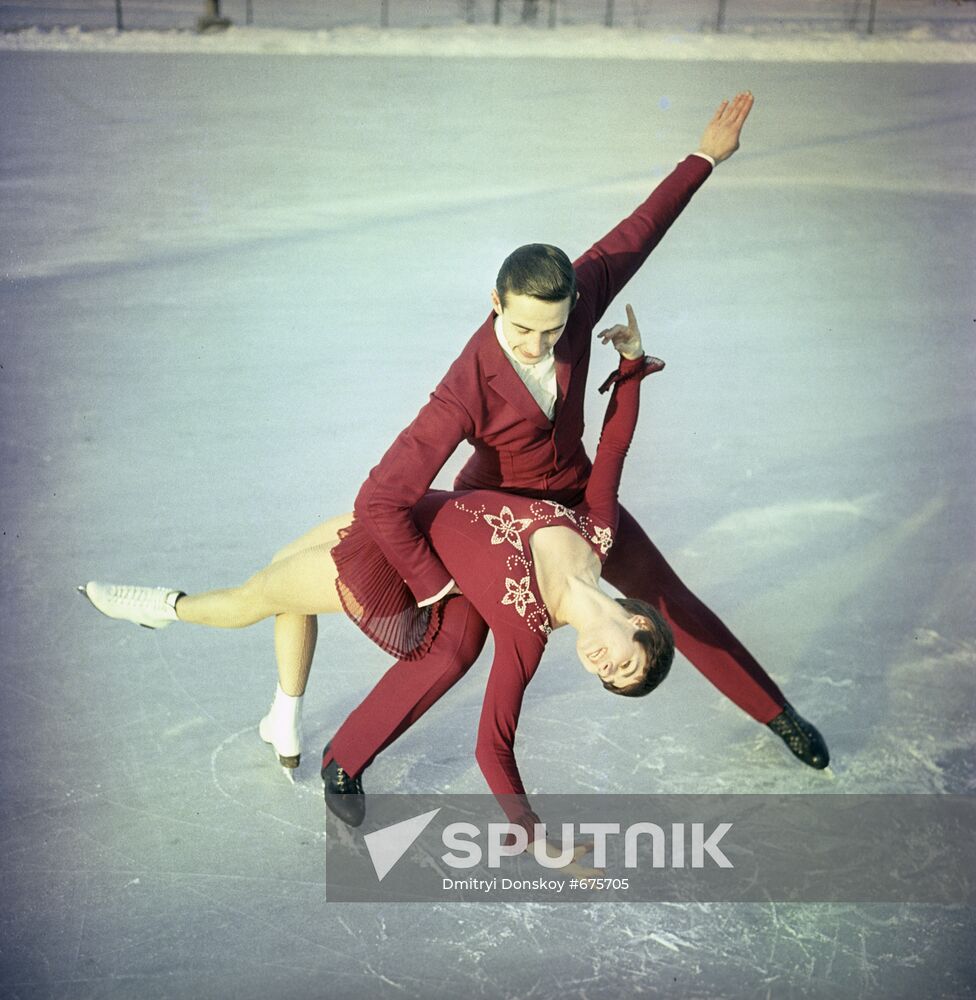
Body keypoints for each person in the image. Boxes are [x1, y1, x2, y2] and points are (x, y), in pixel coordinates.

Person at [315, 90, 828, 811]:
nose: (537, 344)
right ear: (496, 304)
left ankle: (777, 714)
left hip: (579, 502)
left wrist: (706, 155)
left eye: (552, 332)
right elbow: (381, 498)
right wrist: (434, 585)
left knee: (667, 599)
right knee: (455, 647)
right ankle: (344, 761)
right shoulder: (463, 389)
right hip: (493, 518)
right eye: (522, 329)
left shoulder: (576, 298)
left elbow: (636, 233)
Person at [83, 307, 674, 874]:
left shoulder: (527, 635)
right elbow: (614, 452)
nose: (603, 667)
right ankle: (283, 716)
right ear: (638, 624)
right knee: (279, 576)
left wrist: (537, 841)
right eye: (623, 664)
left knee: (256, 597)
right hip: (399, 516)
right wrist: (631, 362)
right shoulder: (595, 533)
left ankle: (166, 607)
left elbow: (494, 747)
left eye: (608, 680)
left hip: (394, 570)